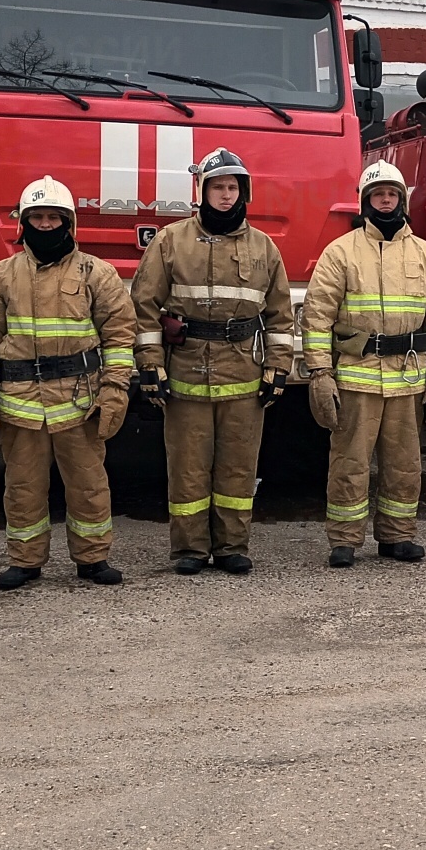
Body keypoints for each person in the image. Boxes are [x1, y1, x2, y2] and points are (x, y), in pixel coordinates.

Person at [0, 176, 136, 588]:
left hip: (81, 402)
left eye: (53, 217)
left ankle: (92, 559)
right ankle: (25, 561)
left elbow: (120, 335)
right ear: (23, 222)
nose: (45, 224)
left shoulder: (98, 272)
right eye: (36, 217)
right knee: (22, 488)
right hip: (20, 403)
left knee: (89, 486)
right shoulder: (2, 276)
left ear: (69, 222)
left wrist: (114, 390)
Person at [131, 149, 292, 575]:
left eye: (232, 187)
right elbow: (144, 307)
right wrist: (150, 363)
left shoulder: (264, 247)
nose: (225, 195)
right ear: (202, 191)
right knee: (187, 466)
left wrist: (278, 368)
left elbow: (280, 315)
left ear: (244, 192)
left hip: (243, 370)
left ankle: (232, 546)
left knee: (239, 466)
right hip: (185, 368)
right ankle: (189, 549)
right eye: (217, 187)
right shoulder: (171, 241)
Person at [303, 160, 426, 567]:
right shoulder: (341, 252)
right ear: (365, 201)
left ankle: (397, 536)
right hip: (356, 377)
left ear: (402, 200)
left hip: (408, 377)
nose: (385, 200)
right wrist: (320, 372)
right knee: (349, 463)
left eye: (392, 194)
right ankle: (344, 540)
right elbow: (317, 316)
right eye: (378, 194)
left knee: (405, 465)